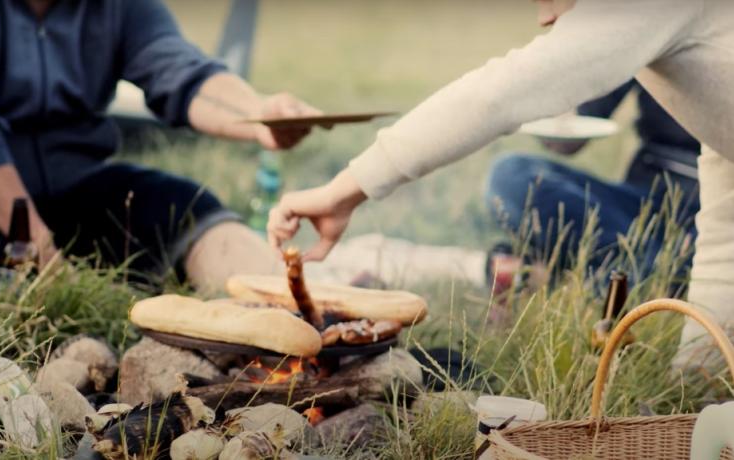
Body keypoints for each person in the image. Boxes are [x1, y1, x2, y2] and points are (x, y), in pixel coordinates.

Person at [267, 0, 734, 367]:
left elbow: (498, 94)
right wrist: (695, 373)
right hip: (654, 203)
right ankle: (644, 280)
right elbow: (725, 212)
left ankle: (643, 280)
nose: (545, 17)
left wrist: (342, 191)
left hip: (675, 219)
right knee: (516, 177)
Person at [0, 0, 319, 290]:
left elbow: (180, 71)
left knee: (185, 206)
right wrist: (42, 252)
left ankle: (286, 306)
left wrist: (258, 112)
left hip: (75, 190)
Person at [485, 81, 700, 281]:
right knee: (510, 175)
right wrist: (556, 119)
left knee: (717, 258)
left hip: (717, 208)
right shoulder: (646, 41)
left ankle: (551, 273)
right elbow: (578, 125)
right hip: (638, 202)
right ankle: (646, 273)